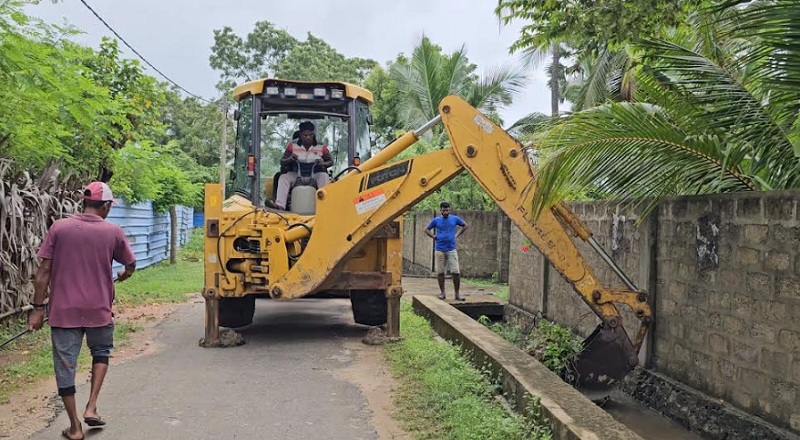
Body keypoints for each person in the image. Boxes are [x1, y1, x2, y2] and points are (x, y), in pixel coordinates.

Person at [28, 181, 136, 440]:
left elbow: (43, 272)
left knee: (65, 366)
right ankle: (91, 405)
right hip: (99, 309)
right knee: (100, 352)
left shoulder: (59, 228)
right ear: (107, 206)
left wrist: (37, 309)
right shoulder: (113, 232)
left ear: (84, 203)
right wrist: (123, 274)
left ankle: (75, 427)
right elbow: (130, 264)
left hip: (64, 311)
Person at [274, 121, 333, 210]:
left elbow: (330, 161)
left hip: (315, 175)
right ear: (300, 134)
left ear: (313, 134)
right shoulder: (292, 145)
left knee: (324, 176)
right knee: (283, 178)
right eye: (305, 135)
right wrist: (290, 159)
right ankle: (280, 206)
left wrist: (323, 163)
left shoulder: (321, 146)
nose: (308, 137)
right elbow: (282, 161)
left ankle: (325, 207)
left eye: (310, 135)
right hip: (296, 174)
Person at [425, 201, 468, 301]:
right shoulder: (436, 220)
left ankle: (457, 294)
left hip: (451, 249)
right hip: (439, 249)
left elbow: (465, 225)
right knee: (440, 272)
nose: (445, 212)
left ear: (449, 210)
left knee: (456, 272)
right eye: (444, 210)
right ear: (440, 210)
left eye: (447, 210)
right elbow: (426, 229)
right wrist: (433, 236)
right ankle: (442, 293)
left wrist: (457, 235)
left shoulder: (454, 218)